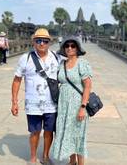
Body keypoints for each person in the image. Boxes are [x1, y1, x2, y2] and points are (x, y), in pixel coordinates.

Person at [11, 28, 60, 165]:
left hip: (52, 104)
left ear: (49, 42)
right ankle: (33, 157)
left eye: (45, 41)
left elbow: (71, 67)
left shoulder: (57, 58)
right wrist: (14, 102)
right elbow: (17, 80)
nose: (42, 44)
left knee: (49, 132)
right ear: (33, 42)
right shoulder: (25, 59)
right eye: (38, 40)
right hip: (33, 104)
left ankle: (45, 156)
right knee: (35, 132)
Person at [51, 36, 92, 165]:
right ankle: (72, 161)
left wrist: (83, 107)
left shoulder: (82, 63)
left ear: (77, 48)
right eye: (67, 46)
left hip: (77, 105)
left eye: (72, 46)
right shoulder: (61, 64)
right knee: (67, 133)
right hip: (64, 106)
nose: (69, 48)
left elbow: (88, 86)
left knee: (78, 135)